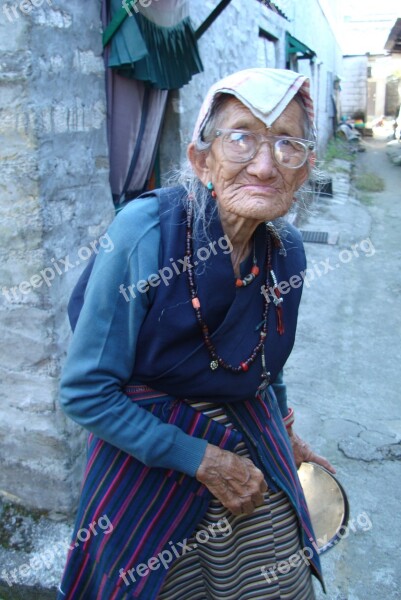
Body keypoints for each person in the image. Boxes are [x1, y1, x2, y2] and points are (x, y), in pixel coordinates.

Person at [57, 67, 335, 600]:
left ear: (305, 171)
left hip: (250, 436)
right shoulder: (146, 232)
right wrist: (203, 460)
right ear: (200, 160)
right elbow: (85, 391)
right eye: (241, 138)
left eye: (288, 145)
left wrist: (287, 434)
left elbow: (263, 365)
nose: (264, 164)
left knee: (277, 579)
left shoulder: (287, 250)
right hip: (146, 445)